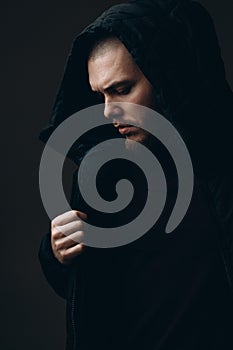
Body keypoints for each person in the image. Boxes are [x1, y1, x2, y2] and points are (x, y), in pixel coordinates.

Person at [38, 1, 233, 349]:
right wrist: (57, 253)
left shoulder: (222, 170)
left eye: (123, 89)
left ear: (169, 75)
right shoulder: (101, 174)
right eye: (100, 94)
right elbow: (88, 294)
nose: (108, 110)